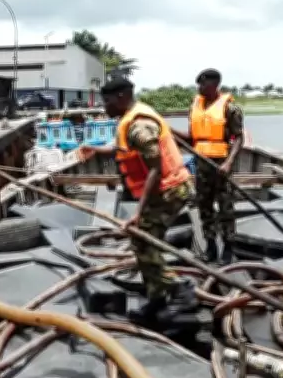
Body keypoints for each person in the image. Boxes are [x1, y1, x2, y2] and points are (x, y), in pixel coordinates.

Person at [77, 77, 198, 319]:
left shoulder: (139, 126)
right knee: (144, 243)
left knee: (144, 243)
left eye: (107, 101)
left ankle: (181, 291)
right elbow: (123, 149)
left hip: (170, 190)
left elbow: (155, 169)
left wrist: (139, 212)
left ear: (121, 97)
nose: (104, 107)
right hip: (162, 191)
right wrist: (96, 149)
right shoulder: (128, 120)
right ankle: (157, 297)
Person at [173, 69, 244, 263]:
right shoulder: (195, 106)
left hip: (221, 164)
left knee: (225, 207)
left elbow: (239, 138)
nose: (200, 88)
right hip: (201, 164)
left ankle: (228, 249)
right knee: (204, 206)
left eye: (203, 84)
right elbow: (191, 138)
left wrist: (229, 163)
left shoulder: (230, 108)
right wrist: (170, 131)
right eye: (199, 84)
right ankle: (210, 247)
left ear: (214, 85)